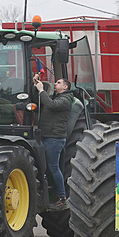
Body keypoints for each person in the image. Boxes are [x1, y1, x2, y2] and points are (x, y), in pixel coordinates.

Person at [33, 74, 74, 210]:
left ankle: (62, 197)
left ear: (65, 87)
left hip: (55, 138)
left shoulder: (66, 99)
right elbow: (42, 101)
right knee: (47, 168)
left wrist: (41, 90)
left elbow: (50, 105)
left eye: (58, 82)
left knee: (53, 167)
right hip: (47, 136)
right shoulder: (57, 97)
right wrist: (36, 84)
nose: (55, 84)